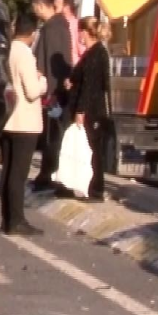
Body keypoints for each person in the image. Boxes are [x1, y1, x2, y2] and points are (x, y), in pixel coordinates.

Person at [0, 14, 49, 235]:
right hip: (25, 122)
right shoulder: (26, 54)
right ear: (33, 33)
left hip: (8, 119)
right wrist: (42, 81)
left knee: (7, 171)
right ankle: (17, 220)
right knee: (19, 174)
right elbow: (31, 91)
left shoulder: (7, 51)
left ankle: (7, 218)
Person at [62, 17, 111, 202]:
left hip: (92, 110)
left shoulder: (96, 54)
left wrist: (81, 110)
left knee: (93, 150)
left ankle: (96, 189)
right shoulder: (92, 53)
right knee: (88, 148)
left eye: (79, 32)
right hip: (89, 108)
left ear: (85, 32)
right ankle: (86, 186)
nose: (78, 37)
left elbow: (90, 86)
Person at [30, 0, 75, 192]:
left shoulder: (51, 28)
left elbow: (44, 63)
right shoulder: (60, 27)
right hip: (58, 89)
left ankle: (49, 173)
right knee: (54, 134)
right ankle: (50, 173)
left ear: (40, 6)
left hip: (53, 91)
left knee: (52, 135)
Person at [53, 0, 83, 64]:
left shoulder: (76, 24)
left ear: (67, 6)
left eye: (56, 6)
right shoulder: (55, 24)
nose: (54, 9)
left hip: (73, 65)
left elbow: (81, 48)